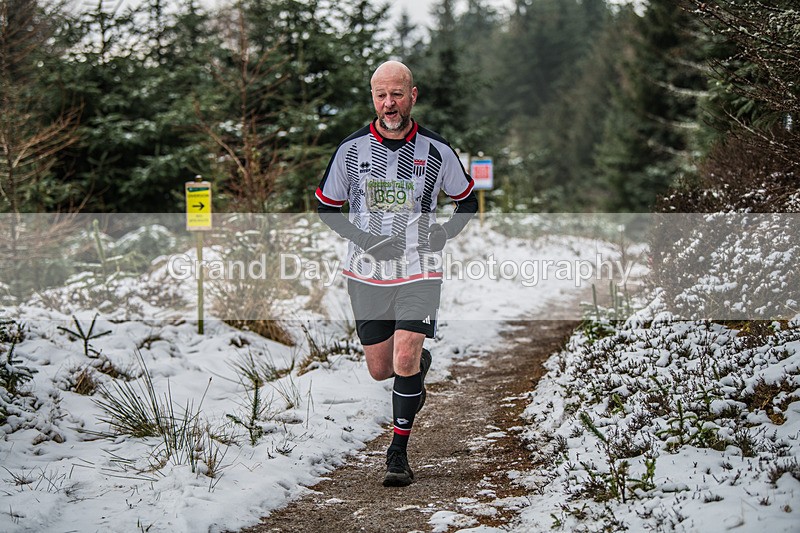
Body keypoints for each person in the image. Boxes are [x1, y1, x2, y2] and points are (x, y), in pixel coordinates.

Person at [315, 60, 478, 487]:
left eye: (397, 94)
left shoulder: (437, 150)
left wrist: (443, 234)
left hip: (418, 270)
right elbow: (326, 208)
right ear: (373, 97)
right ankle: (416, 367)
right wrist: (367, 240)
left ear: (413, 95)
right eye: (381, 95)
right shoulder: (351, 150)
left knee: (403, 358)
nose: (389, 103)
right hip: (366, 273)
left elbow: (467, 201)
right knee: (381, 369)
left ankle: (398, 452)